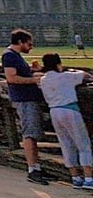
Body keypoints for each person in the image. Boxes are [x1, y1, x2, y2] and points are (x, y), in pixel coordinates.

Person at [2, 29, 49, 184]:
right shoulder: (9, 55)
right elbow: (11, 78)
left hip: (28, 98)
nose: (31, 47)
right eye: (29, 43)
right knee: (29, 134)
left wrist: (31, 71)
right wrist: (35, 80)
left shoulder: (15, 56)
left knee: (33, 133)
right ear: (20, 42)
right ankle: (32, 169)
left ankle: (37, 167)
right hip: (24, 99)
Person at [39, 53, 93, 189]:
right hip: (70, 110)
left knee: (66, 143)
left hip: (54, 111)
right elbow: (85, 75)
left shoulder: (44, 80)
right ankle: (88, 177)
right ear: (58, 64)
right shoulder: (66, 76)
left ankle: (75, 177)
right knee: (83, 144)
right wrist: (73, 71)